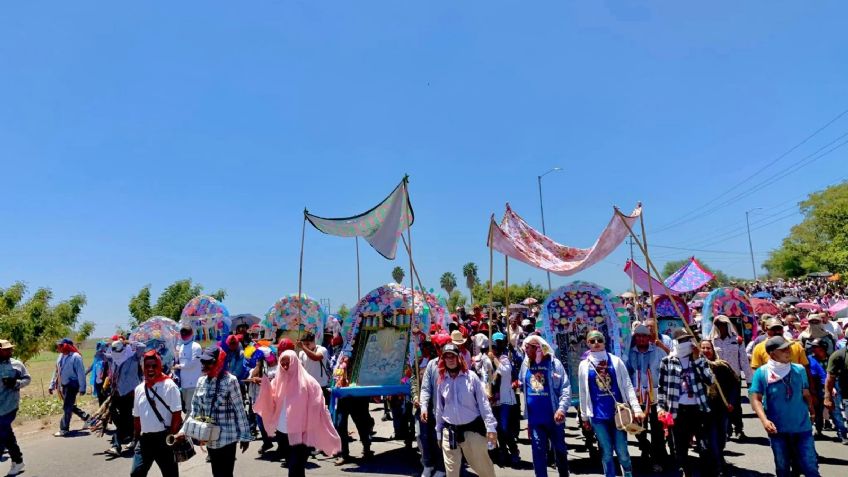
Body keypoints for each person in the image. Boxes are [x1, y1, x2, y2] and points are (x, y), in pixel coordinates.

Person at [254, 349, 341, 477]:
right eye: (282, 363)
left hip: (301, 432)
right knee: (293, 464)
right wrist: (265, 385)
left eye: (288, 363)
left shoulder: (308, 382)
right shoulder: (278, 381)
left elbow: (318, 403)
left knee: (295, 465)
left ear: (295, 362)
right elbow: (271, 400)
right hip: (282, 431)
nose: (284, 366)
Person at [749, 336, 820, 477]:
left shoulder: (799, 370)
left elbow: (805, 392)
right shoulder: (762, 373)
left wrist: (812, 409)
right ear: (772, 353)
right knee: (783, 469)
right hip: (778, 430)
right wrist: (764, 421)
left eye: (789, 348)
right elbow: (755, 398)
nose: (789, 351)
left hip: (802, 428)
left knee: (810, 467)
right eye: (783, 349)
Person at [177, 345, 251, 477]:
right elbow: (194, 410)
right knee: (216, 473)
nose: (204, 365)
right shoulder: (201, 381)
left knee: (225, 474)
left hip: (228, 438)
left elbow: (239, 410)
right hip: (210, 438)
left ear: (219, 361)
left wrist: (245, 437)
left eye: (208, 362)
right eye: (202, 361)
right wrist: (182, 432)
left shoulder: (230, 381)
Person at [578, 331, 642, 477]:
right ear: (587, 344)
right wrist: (584, 417)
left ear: (604, 341)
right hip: (598, 416)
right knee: (606, 452)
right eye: (592, 341)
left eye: (599, 340)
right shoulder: (583, 365)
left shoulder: (616, 361)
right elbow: (583, 391)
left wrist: (636, 408)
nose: (596, 343)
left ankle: (627, 472)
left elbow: (627, 385)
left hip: (618, 414)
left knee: (622, 452)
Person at [434, 344, 498, 477]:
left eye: (453, 356)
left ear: (459, 358)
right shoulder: (441, 380)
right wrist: (439, 433)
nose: (450, 359)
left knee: (484, 469)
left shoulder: (471, 377)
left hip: (472, 430)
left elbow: (484, 404)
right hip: (449, 433)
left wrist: (491, 428)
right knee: (451, 472)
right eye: (447, 356)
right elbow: (439, 408)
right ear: (443, 360)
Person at [657, 328, 714, 477]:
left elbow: (709, 380)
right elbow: (662, 387)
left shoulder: (697, 358)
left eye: (688, 340)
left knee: (704, 446)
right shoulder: (667, 361)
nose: (686, 343)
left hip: (698, 409)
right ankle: (685, 471)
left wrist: (697, 360)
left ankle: (706, 472)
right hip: (678, 410)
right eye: (682, 341)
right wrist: (661, 408)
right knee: (680, 447)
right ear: (676, 343)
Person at [518, 334, 570, 477]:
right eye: (525, 348)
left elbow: (565, 388)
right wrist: (518, 384)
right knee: (538, 451)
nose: (526, 350)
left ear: (538, 348)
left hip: (554, 418)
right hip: (535, 420)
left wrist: (561, 409)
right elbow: (522, 381)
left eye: (528, 348)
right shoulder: (526, 363)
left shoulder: (554, 364)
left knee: (560, 450)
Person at [130, 350, 182, 477]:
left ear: (159, 366)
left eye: (154, 366)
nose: (150, 369)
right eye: (147, 366)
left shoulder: (169, 386)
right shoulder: (139, 389)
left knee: (170, 474)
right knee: (136, 473)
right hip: (145, 440)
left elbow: (176, 414)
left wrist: (172, 436)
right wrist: (136, 437)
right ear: (143, 368)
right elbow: (137, 417)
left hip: (164, 438)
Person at [625, 324, 667, 472]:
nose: (641, 339)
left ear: (649, 338)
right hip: (637, 398)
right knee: (638, 429)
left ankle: (657, 460)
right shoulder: (629, 354)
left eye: (644, 336)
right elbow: (626, 374)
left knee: (657, 430)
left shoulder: (658, 352)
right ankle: (645, 447)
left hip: (655, 397)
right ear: (634, 338)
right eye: (638, 336)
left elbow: (667, 369)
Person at [709, 315, 753, 440]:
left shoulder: (737, 340)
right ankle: (725, 429)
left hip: (734, 376)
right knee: (721, 404)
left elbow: (743, 360)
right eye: (718, 324)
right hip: (717, 377)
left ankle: (738, 428)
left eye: (723, 324)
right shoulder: (711, 340)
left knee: (735, 403)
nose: (721, 327)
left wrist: (749, 379)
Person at [699, 339, 738, 477]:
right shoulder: (697, 366)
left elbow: (734, 385)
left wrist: (732, 402)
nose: (705, 350)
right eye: (702, 348)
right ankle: (716, 465)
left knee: (721, 436)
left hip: (722, 407)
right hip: (705, 409)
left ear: (713, 349)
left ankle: (717, 457)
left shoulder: (722, 366)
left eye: (708, 348)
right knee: (710, 437)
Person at [417, 332, 450, 477]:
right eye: (440, 346)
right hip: (432, 409)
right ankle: (428, 465)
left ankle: (442, 468)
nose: (443, 349)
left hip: (450, 411)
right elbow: (425, 388)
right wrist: (423, 406)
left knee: (444, 440)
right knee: (426, 436)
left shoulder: (456, 362)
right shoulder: (432, 364)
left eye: (445, 345)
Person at [106, 338, 145, 455]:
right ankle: (132, 436)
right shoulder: (113, 359)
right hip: (117, 393)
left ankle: (116, 445)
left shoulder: (133, 358)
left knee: (125, 417)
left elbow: (142, 347)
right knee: (115, 413)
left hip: (130, 394)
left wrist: (129, 342)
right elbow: (99, 354)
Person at [49, 338, 90, 437]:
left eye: (60, 345)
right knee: (69, 405)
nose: (58, 348)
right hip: (63, 386)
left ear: (66, 346)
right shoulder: (60, 357)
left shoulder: (76, 357)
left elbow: (81, 373)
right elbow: (56, 371)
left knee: (67, 407)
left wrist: (82, 388)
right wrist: (52, 385)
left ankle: (64, 429)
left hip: (73, 385)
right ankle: (85, 416)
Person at [0, 339, 30, 476]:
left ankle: (17, 461)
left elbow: (27, 379)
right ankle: (18, 461)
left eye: (10, 349)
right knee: (6, 434)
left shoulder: (17, 365)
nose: (10, 351)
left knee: (2, 433)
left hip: (9, 405)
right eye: (6, 349)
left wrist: (15, 383)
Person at [490, 332, 520, 468]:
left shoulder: (504, 358)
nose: (497, 346)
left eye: (500, 343)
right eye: (495, 344)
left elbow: (505, 371)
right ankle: (503, 451)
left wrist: (495, 359)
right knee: (497, 429)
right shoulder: (487, 359)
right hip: (493, 400)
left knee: (505, 427)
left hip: (505, 399)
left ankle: (514, 451)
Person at [174, 323, 202, 414]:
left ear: (191, 334)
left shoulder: (196, 346)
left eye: (186, 333)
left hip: (193, 383)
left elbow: (193, 363)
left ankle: (189, 426)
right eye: (182, 334)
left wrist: (180, 366)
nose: (184, 336)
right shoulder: (181, 346)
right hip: (184, 383)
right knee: (186, 407)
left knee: (191, 408)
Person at [825, 338, 848, 444]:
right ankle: (842, 433)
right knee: (838, 411)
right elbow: (830, 378)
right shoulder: (838, 355)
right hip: (842, 390)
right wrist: (828, 397)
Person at [297, 332, 331, 401]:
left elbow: (315, 357)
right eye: (304, 344)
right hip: (308, 386)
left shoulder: (322, 349)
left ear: (314, 341)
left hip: (321, 385)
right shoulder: (302, 353)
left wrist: (303, 347)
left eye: (308, 344)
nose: (306, 346)